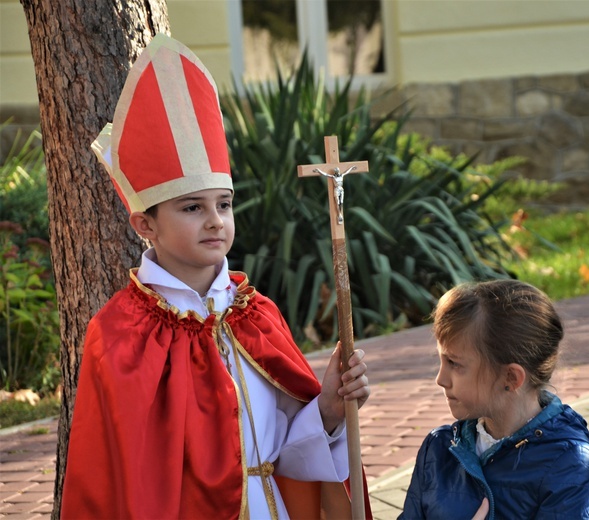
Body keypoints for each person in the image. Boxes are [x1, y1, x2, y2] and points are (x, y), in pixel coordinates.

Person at [61, 34, 371, 520]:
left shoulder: (255, 314)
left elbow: (289, 453)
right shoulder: (119, 333)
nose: (215, 221)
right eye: (191, 207)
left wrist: (329, 407)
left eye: (223, 205)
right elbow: (115, 481)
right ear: (145, 225)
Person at [399, 280, 589, 520]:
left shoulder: (568, 463)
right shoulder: (439, 449)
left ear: (510, 377)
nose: (440, 379)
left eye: (454, 363)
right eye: (441, 361)